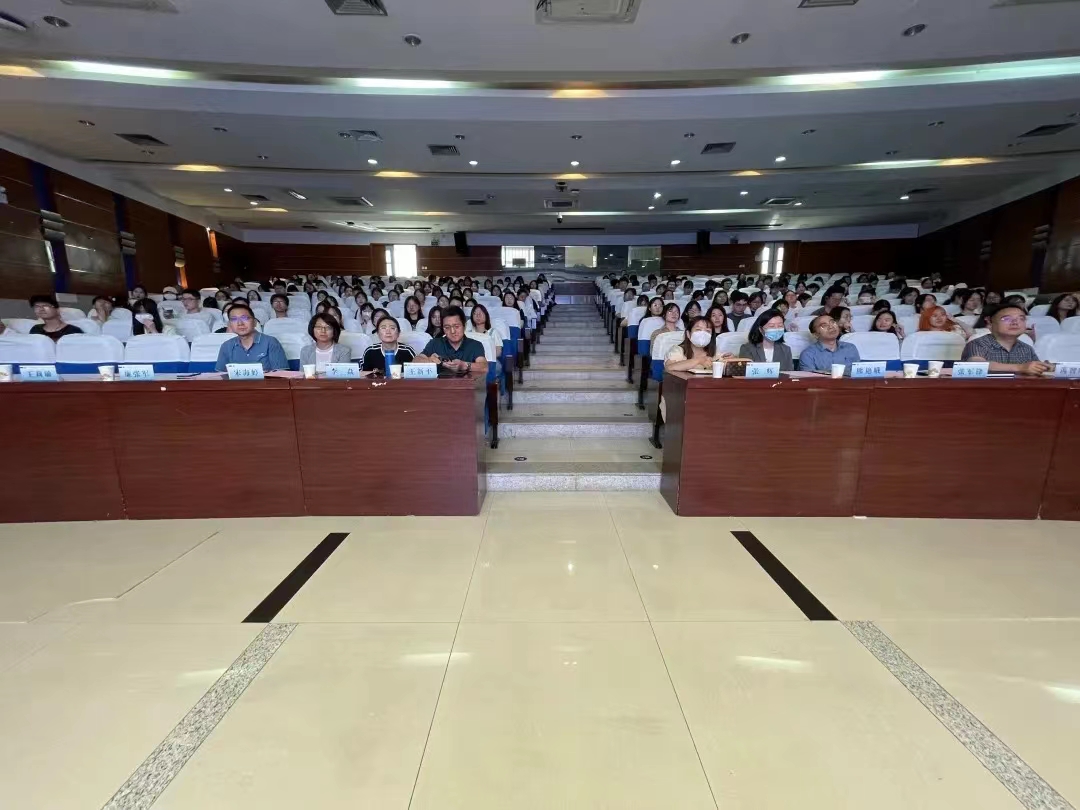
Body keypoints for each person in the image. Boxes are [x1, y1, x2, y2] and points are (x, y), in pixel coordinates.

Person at [961, 305, 1051, 375]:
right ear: (990, 323)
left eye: (1021, 319)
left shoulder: (1027, 348)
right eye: (1006, 319)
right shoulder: (978, 343)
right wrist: (1020, 368)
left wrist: (1045, 367)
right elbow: (977, 366)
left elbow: (1034, 369)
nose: (1015, 322)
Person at [214, 303, 288, 372]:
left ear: (255, 322)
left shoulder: (270, 342)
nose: (240, 323)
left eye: (245, 318)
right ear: (230, 324)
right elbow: (220, 375)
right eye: (234, 319)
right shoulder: (226, 346)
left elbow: (281, 374)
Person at [416, 306, 488, 378]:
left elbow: (484, 367)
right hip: (439, 384)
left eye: (456, 326)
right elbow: (416, 360)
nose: (452, 331)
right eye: (447, 327)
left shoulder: (475, 345)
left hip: (467, 384)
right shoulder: (434, 343)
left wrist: (464, 365)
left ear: (464, 326)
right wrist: (430, 361)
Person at [663, 317, 733, 372]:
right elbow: (669, 367)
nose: (703, 334)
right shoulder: (678, 350)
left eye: (707, 331)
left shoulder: (714, 352)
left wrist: (731, 360)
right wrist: (699, 360)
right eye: (698, 329)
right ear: (688, 334)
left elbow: (726, 366)